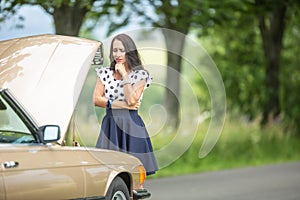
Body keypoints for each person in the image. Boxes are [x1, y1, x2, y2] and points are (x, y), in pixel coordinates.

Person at [93, 33, 158, 175]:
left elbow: (131, 100)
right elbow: (97, 100)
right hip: (110, 125)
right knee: (109, 171)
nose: (118, 54)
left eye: (121, 50)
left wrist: (124, 75)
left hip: (132, 124)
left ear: (129, 51)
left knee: (135, 173)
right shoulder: (105, 73)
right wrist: (119, 105)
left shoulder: (141, 75)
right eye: (115, 50)